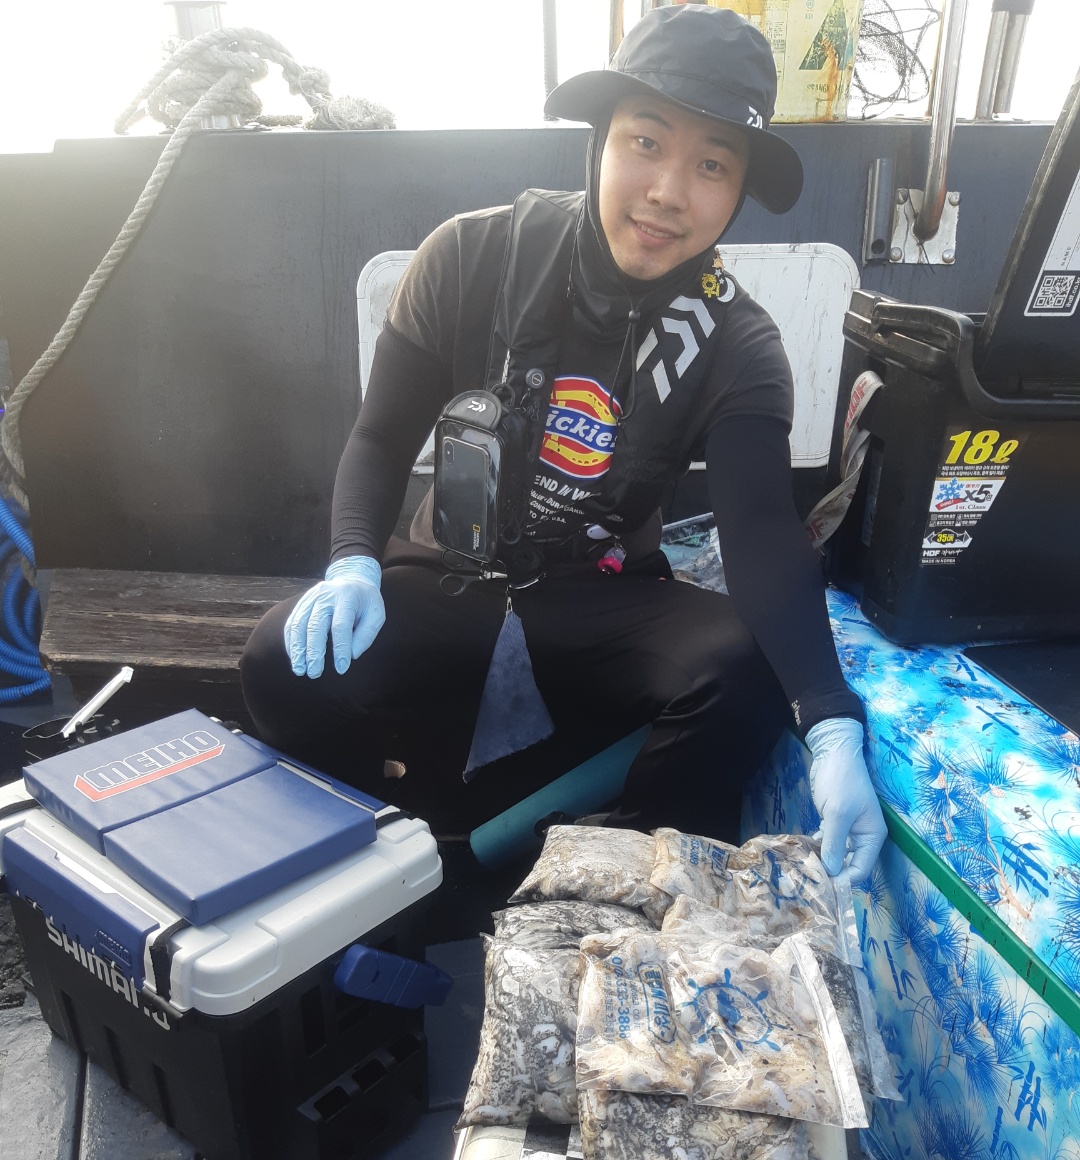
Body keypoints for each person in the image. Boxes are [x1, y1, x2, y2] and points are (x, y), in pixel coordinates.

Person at [241, 4, 886, 882]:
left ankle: (611, 883)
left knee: (743, 671)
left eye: (712, 164)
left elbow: (763, 534)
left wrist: (831, 719)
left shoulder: (739, 343)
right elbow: (381, 436)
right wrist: (352, 559)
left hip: (600, 596)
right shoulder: (467, 256)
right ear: (599, 141)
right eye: (645, 142)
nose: (668, 192)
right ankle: (386, 872)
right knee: (279, 661)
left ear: (737, 192)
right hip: (447, 575)